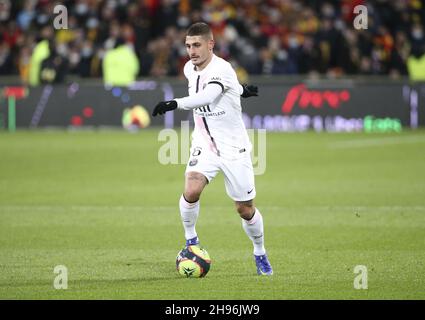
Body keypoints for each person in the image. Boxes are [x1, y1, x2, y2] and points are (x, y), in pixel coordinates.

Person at [152, 22, 273, 275]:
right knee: (192, 187)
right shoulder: (189, 68)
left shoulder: (222, 68)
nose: (191, 51)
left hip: (233, 148)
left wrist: (174, 103)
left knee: (244, 208)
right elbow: (223, 88)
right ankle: (191, 240)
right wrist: (241, 91)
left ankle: (259, 251)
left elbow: (208, 96)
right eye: (187, 46)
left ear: (210, 44)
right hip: (204, 143)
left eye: (196, 45)